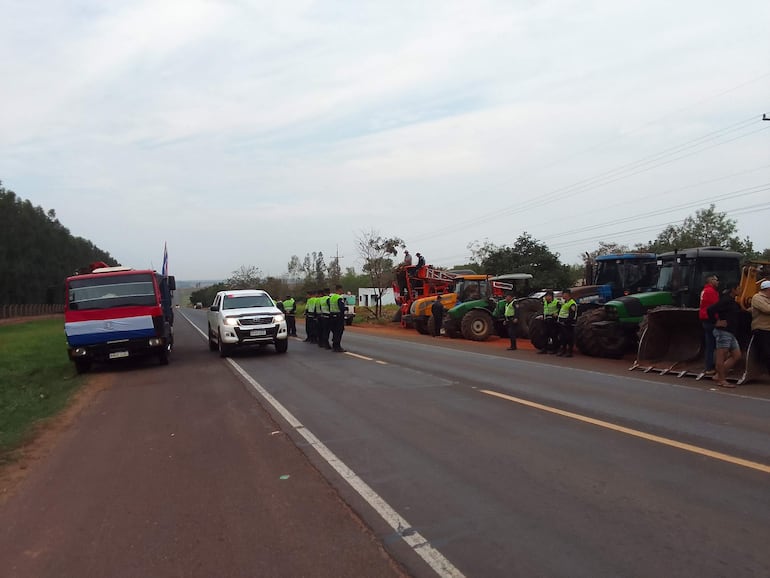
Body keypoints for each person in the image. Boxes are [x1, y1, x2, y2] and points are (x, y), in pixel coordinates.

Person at [707, 283, 742, 388]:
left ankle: (718, 375)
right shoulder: (725, 300)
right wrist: (715, 322)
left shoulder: (733, 302)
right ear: (733, 289)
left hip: (731, 332)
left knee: (737, 355)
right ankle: (721, 380)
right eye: (739, 288)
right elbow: (710, 310)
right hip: (723, 332)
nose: (741, 290)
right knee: (721, 356)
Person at [699, 274, 720, 376]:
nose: (718, 282)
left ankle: (710, 366)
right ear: (711, 281)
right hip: (711, 320)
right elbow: (716, 306)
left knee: (710, 345)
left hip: (705, 319)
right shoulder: (711, 292)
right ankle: (715, 366)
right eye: (716, 280)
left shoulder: (704, 291)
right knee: (717, 345)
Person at [751, 279, 770, 375]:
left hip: (768, 329)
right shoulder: (757, 298)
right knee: (766, 353)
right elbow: (767, 309)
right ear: (767, 289)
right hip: (761, 329)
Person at [556, 288, 578, 357]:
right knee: (563, 337)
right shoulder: (565, 302)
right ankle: (563, 350)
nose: (562, 295)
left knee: (569, 337)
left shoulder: (572, 303)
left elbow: (572, 315)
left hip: (568, 323)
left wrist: (566, 322)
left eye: (563, 294)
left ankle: (569, 352)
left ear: (567, 294)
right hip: (562, 322)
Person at [329, 284, 347, 352]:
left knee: (334, 332)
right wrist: (346, 308)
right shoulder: (339, 297)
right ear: (339, 289)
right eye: (342, 290)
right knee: (338, 332)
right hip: (338, 317)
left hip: (332, 316)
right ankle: (337, 347)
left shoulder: (331, 297)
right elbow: (341, 308)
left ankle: (334, 346)